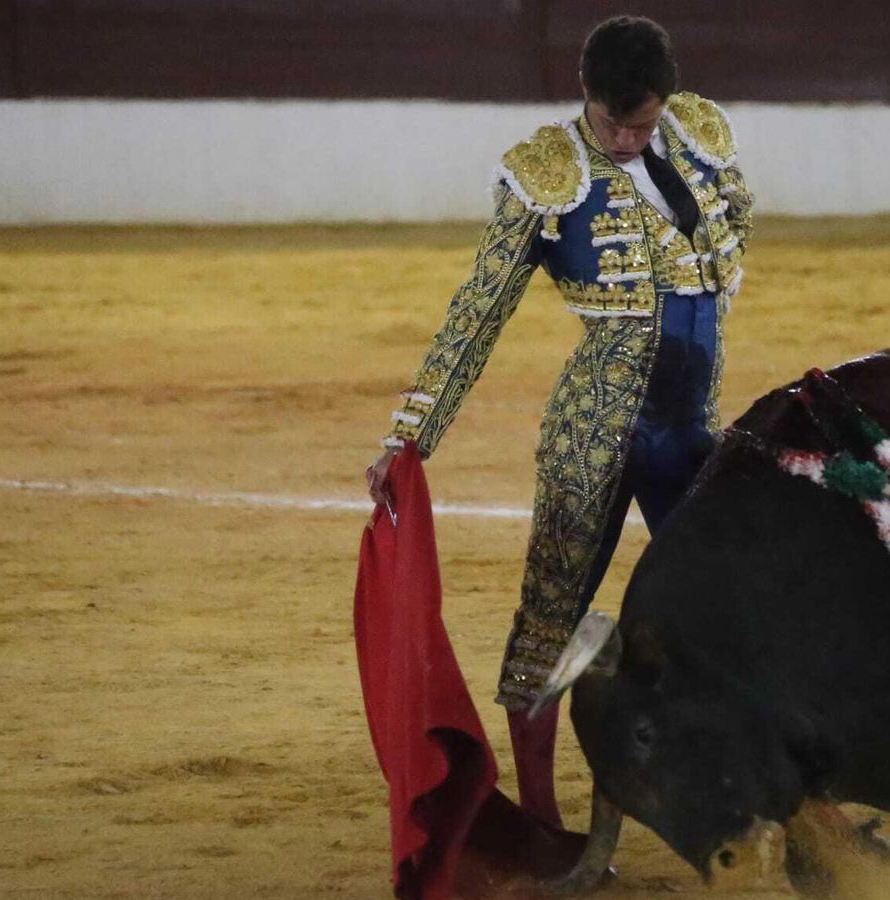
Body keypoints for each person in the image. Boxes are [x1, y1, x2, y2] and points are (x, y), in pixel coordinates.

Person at [364, 15, 753, 827]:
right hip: (594, 433)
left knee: (734, 613)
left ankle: (747, 792)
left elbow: (735, 223)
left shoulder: (699, 138)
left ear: (665, 102)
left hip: (689, 433)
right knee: (551, 621)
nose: (622, 136)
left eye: (639, 121)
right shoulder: (548, 171)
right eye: (610, 119)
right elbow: (480, 308)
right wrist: (412, 433)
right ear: (584, 93)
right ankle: (540, 819)